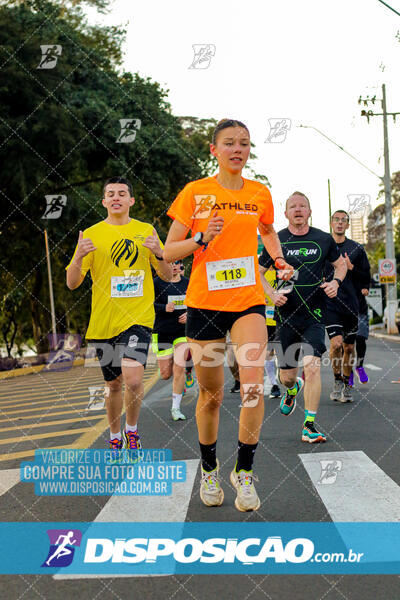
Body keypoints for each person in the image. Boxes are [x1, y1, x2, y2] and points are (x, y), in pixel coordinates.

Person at [164, 118, 293, 512]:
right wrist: (203, 236)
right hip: (204, 302)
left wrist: (279, 258)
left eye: (244, 143)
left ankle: (245, 471)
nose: (238, 149)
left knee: (252, 382)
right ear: (214, 150)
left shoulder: (259, 192)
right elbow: (169, 252)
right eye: (229, 143)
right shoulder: (196, 192)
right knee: (211, 394)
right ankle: (209, 467)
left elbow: (268, 229)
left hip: (248, 301)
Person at [66, 177, 172, 452]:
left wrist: (159, 253)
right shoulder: (90, 235)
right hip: (104, 323)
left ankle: (132, 430)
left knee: (134, 378)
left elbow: (168, 275)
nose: (116, 197)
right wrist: (77, 257)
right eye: (110, 194)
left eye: (122, 193)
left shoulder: (145, 230)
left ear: (131, 200)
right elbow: (72, 283)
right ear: (103, 201)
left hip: (137, 318)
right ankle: (114, 436)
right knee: (113, 385)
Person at [259, 192, 347, 443]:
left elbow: (340, 265)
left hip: (314, 315)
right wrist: (271, 294)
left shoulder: (323, 239)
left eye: (303, 206)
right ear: (285, 213)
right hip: (286, 316)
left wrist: (336, 283)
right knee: (287, 376)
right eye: (292, 207)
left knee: (312, 365)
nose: (298, 210)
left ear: (310, 212)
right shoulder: (275, 241)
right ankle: (292, 388)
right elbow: (258, 272)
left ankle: (309, 424)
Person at [325, 210, 371, 402]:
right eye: (337, 220)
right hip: (330, 303)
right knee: (336, 345)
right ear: (331, 223)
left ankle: (346, 383)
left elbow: (366, 277)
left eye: (344, 220)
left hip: (351, 305)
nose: (340, 223)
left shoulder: (357, 249)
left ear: (348, 225)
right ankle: (337, 380)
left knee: (349, 348)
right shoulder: (324, 246)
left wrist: (351, 268)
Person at [152, 259, 191, 421]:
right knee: (166, 374)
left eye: (177, 263)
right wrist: (163, 308)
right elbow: (147, 303)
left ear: (181, 266)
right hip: (162, 332)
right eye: (171, 263)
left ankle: (176, 408)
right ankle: (181, 380)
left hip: (182, 332)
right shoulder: (157, 283)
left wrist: (189, 314)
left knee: (179, 367)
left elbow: (196, 302)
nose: (174, 266)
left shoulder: (187, 283)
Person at [258, 266, 287, 398]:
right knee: (268, 352)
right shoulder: (259, 272)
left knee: (282, 352)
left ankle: (285, 379)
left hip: (283, 318)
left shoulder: (284, 271)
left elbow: (290, 291)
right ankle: (273, 384)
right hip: (266, 319)